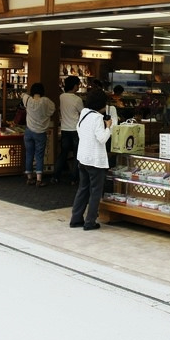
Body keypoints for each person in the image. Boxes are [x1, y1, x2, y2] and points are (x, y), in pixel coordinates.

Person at [70, 89, 113, 231]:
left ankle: (76, 219)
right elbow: (102, 139)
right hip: (95, 160)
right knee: (95, 191)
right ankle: (90, 221)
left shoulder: (84, 114)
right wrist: (109, 127)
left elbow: (79, 129)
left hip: (83, 158)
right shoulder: (97, 118)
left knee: (83, 189)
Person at [22, 82, 56, 187]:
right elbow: (53, 109)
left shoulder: (27, 99)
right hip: (40, 132)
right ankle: (39, 179)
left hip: (28, 131)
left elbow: (23, 95)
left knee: (29, 154)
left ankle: (29, 177)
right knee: (39, 156)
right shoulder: (46, 101)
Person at [53, 75, 83, 185]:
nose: (79, 86)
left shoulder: (61, 97)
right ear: (75, 86)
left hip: (65, 129)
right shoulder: (77, 99)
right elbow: (82, 112)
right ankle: (73, 179)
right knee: (76, 155)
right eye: (78, 85)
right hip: (75, 130)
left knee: (63, 153)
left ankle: (56, 176)